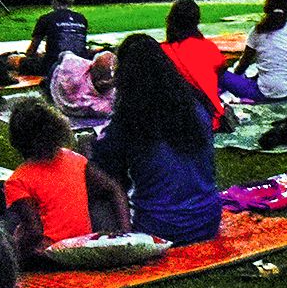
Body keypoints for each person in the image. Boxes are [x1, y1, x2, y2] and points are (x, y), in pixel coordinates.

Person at [90, 33, 222, 244]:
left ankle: (124, 238)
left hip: (160, 228)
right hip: (208, 221)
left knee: (95, 180)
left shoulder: (131, 117)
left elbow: (104, 168)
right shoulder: (196, 105)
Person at [3, 98, 128, 258]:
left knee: (10, 220)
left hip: (49, 255)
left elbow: (34, 231)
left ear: (16, 140)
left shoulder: (17, 180)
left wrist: (15, 248)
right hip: (82, 249)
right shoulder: (76, 160)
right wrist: (125, 231)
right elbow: (113, 188)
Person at [222, 0, 287, 103]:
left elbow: (244, 63)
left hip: (268, 93)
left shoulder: (257, 32)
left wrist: (235, 78)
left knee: (220, 75)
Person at [160, 0, 227, 126]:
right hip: (211, 118)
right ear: (196, 21)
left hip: (177, 121)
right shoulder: (209, 47)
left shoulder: (162, 51)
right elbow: (221, 70)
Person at [22, 0, 89, 76]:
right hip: (80, 65)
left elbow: (32, 49)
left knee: (16, 60)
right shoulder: (82, 19)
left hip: (55, 67)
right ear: (71, 1)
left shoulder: (46, 19)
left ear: (53, 0)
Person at [49, 47, 117, 120]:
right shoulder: (74, 71)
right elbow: (64, 55)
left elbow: (64, 55)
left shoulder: (102, 105)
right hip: (59, 81)